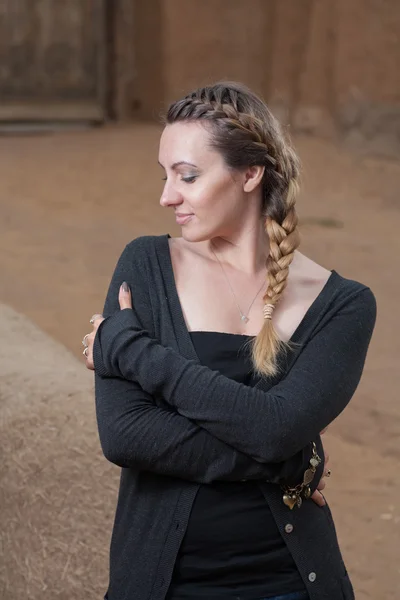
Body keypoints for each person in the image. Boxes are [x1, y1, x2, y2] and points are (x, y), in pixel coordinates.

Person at [82, 82, 376, 600]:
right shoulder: (146, 266)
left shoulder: (343, 304)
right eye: (166, 175)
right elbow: (126, 434)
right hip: (163, 585)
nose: (166, 196)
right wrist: (290, 460)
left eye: (188, 176)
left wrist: (133, 351)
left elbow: (276, 429)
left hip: (290, 584)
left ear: (250, 173)